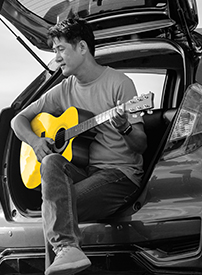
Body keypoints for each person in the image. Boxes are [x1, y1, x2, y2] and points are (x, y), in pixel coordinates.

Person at [10, 17, 147, 275]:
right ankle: (68, 252)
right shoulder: (63, 90)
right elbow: (18, 120)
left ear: (82, 47)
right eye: (54, 51)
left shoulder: (120, 83)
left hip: (120, 176)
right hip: (87, 173)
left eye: (61, 49)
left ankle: (66, 253)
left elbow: (140, 145)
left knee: (54, 207)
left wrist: (124, 127)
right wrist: (36, 141)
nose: (56, 57)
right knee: (50, 162)